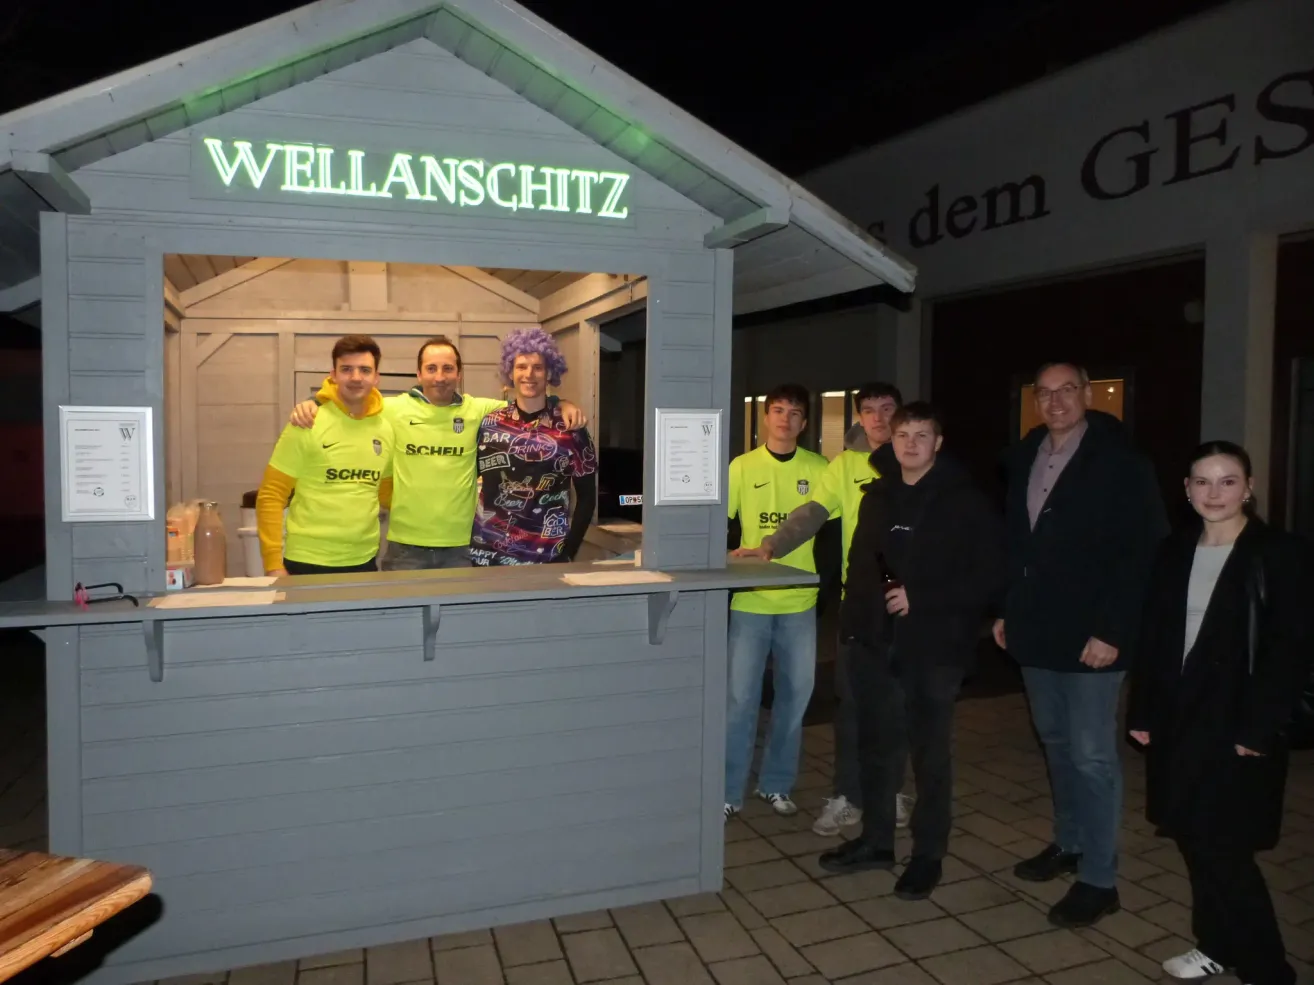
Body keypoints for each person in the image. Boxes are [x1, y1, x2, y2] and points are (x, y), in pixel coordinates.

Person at [1129, 442, 1313, 985]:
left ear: (1249, 487)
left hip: (1238, 721)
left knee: (1225, 850)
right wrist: (1142, 710)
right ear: (1186, 489)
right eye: (1202, 482)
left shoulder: (1279, 553)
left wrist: (1259, 727)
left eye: (1227, 481)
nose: (1214, 493)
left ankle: (1268, 969)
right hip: (1180, 718)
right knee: (1192, 835)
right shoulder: (1173, 549)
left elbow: (1292, 650)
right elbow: (1156, 638)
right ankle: (1215, 943)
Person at [994, 361, 1167, 927]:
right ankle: (1068, 844)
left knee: (1093, 756)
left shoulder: (1123, 464)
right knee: (1056, 743)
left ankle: (1100, 878)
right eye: (1044, 393)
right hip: (1035, 631)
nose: (1056, 402)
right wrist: (1005, 611)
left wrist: (1113, 631)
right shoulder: (1024, 457)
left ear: (1088, 395)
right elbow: (1015, 544)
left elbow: (1142, 553)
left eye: (1067, 390)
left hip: (1095, 636)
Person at [818, 403, 1004, 900]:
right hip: (874, 643)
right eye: (903, 435)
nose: (911, 444)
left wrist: (920, 595)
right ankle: (877, 842)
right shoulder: (878, 494)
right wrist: (862, 620)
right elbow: (869, 560)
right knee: (877, 749)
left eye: (923, 435)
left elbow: (986, 573)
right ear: (890, 440)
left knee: (929, 756)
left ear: (938, 443)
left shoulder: (964, 500)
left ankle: (927, 856)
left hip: (935, 647)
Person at [735, 382, 912, 837]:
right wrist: (772, 545)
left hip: (909, 603)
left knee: (897, 702)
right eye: (868, 410)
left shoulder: (917, 460)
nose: (877, 418)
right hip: (859, 600)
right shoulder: (843, 466)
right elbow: (811, 514)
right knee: (850, 702)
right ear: (859, 416)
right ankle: (847, 797)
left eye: (886, 409)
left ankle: (890, 791)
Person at [287, 335, 586, 569]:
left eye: (447, 368)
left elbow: (528, 401)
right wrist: (316, 400)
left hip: (463, 548)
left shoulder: (481, 411)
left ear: (459, 373)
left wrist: (562, 403)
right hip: (405, 548)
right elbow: (351, 394)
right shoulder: (392, 409)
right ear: (418, 373)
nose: (439, 376)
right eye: (431, 368)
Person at [725, 384, 830, 819]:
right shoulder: (741, 467)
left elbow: (837, 527)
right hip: (750, 602)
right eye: (779, 411)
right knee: (739, 700)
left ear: (804, 424)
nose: (786, 419)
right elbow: (720, 524)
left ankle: (776, 783)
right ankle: (729, 791)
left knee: (794, 697)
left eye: (795, 413)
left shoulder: (821, 467)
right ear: (766, 418)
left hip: (800, 602)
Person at [257, 335, 393, 576]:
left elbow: (386, 493)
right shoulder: (307, 422)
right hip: (306, 562)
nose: (355, 377)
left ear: (376, 377)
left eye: (364, 370)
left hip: (364, 561)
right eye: (346, 369)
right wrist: (273, 565)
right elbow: (271, 495)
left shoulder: (385, 429)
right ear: (333, 374)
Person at [470, 327, 597, 565]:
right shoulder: (489, 423)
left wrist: (568, 552)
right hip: (486, 554)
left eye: (538, 367)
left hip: (546, 556)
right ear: (510, 372)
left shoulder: (571, 427)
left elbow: (588, 497)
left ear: (549, 373)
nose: (529, 374)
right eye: (521, 367)